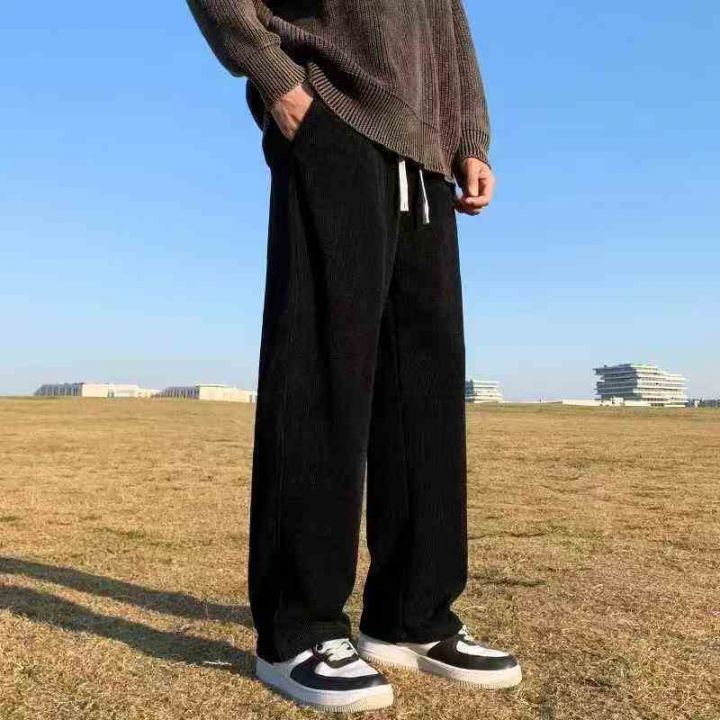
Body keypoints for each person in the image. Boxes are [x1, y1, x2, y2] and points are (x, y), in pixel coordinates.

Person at [186, 0, 522, 711]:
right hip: (333, 114)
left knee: (425, 392)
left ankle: (412, 616)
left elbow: (449, 26)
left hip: (426, 156)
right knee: (321, 375)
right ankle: (297, 629)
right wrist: (278, 80)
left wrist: (470, 136)